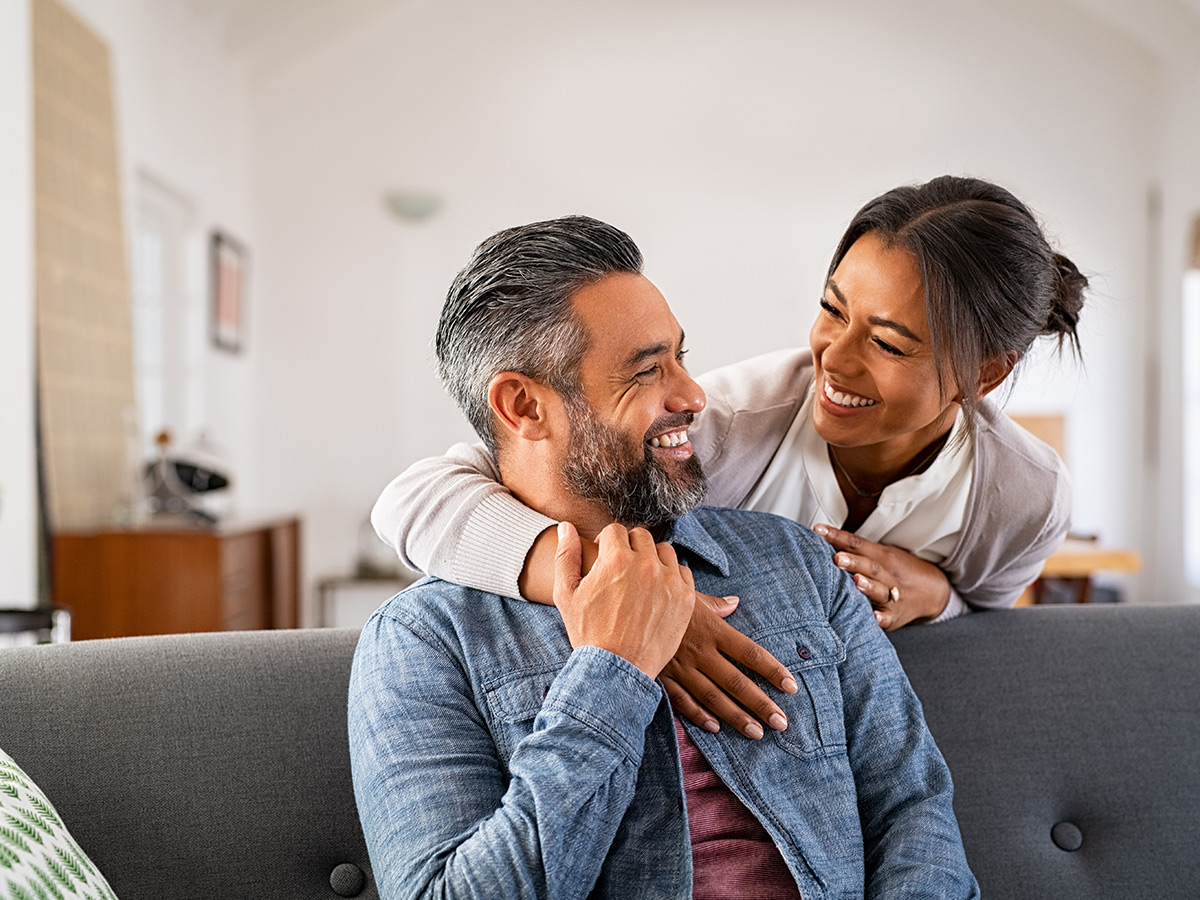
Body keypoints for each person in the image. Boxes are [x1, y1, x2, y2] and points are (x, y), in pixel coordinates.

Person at [348, 215, 979, 899]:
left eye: (680, 357)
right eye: (648, 370)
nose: (693, 395)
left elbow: (914, 809)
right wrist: (610, 673)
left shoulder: (798, 562)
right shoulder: (424, 641)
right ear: (524, 405)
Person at [370, 176, 1087, 736]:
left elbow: (989, 627)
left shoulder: (1024, 497)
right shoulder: (727, 423)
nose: (833, 359)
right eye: (832, 309)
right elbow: (415, 500)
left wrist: (941, 599)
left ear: (984, 374)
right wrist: (629, 598)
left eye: (889, 342)